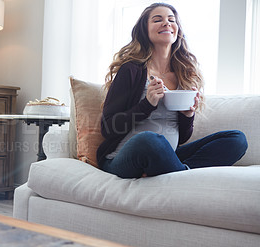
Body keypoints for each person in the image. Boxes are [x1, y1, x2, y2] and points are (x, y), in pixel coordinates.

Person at [97, 3, 248, 178]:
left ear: (177, 30)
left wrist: (187, 116)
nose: (167, 23)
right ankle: (182, 177)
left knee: (236, 139)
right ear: (144, 30)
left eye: (171, 20)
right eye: (157, 19)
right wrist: (147, 104)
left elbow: (182, 138)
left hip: (167, 155)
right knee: (150, 139)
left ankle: (177, 173)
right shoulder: (131, 70)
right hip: (124, 157)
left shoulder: (183, 74)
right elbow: (107, 128)